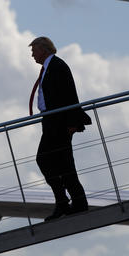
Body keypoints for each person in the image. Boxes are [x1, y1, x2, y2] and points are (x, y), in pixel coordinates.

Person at [28, 37, 92, 221]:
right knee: (63, 164)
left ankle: (65, 202)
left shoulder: (57, 66)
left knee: (46, 160)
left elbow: (69, 94)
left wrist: (72, 123)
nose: (32, 55)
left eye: (34, 50)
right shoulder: (50, 67)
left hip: (59, 122)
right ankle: (73, 202)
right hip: (51, 121)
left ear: (44, 49)